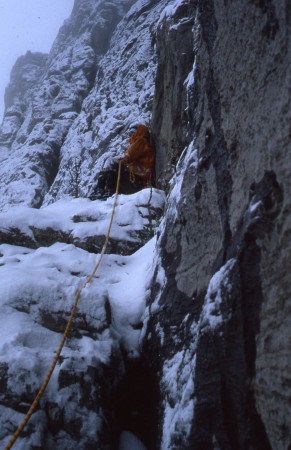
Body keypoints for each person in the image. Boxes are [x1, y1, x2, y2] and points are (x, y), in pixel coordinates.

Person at [120, 123, 155, 188]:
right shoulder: (143, 142)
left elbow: (129, 156)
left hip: (140, 176)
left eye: (133, 133)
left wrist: (117, 160)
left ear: (139, 132)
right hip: (142, 175)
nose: (131, 136)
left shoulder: (140, 142)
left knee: (112, 172)